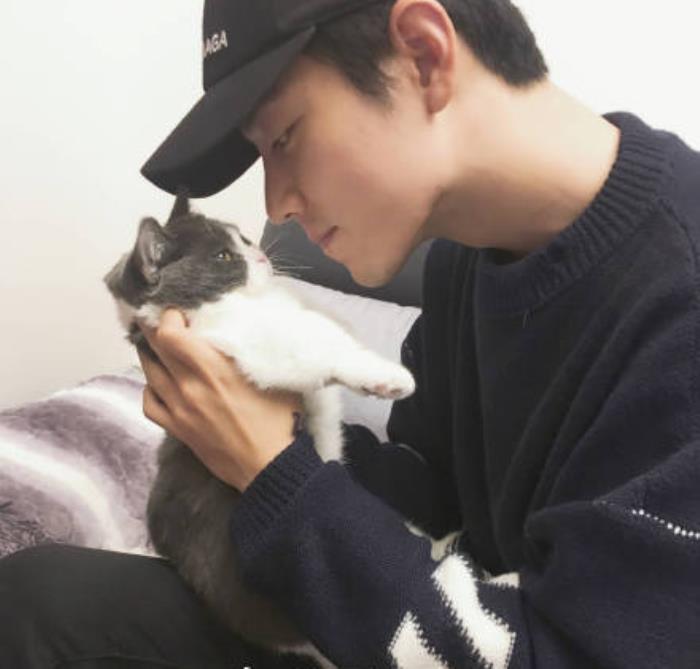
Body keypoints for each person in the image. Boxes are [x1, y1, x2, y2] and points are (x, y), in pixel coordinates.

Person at [2, 0, 699, 667]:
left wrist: (273, 469)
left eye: (284, 137)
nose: (276, 204)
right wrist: (259, 427)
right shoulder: (466, 254)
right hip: (421, 615)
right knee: (41, 604)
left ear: (423, 55)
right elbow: (428, 489)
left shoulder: (679, 304)